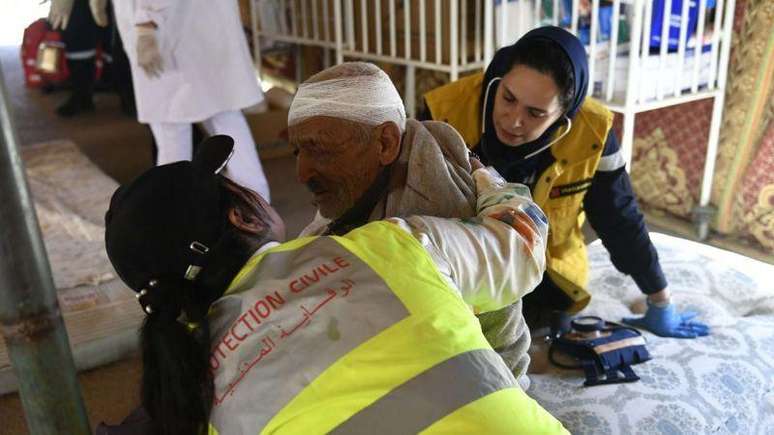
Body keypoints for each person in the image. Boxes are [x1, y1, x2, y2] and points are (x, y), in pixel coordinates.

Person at [98, 135, 566, 434]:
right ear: (241, 216)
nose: (302, 173)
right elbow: (522, 245)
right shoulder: (386, 246)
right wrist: (487, 176)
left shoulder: (199, 398)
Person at [422, 26, 709, 338]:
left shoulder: (592, 132)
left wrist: (660, 300)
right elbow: (412, 207)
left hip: (545, 278)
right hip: (459, 269)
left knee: (548, 342)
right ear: (499, 79)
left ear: (563, 115)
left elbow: (620, 219)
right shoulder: (445, 112)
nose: (513, 120)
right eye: (508, 98)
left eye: (535, 113)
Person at [290, 62, 533, 383]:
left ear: (386, 143)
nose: (301, 173)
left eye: (318, 149)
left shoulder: (431, 219)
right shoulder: (396, 160)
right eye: (297, 151)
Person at [103, 0, 271, 200]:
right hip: (198, 29)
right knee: (225, 119)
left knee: (172, 129)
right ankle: (257, 205)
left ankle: (176, 212)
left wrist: (146, 22)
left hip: (169, 33)